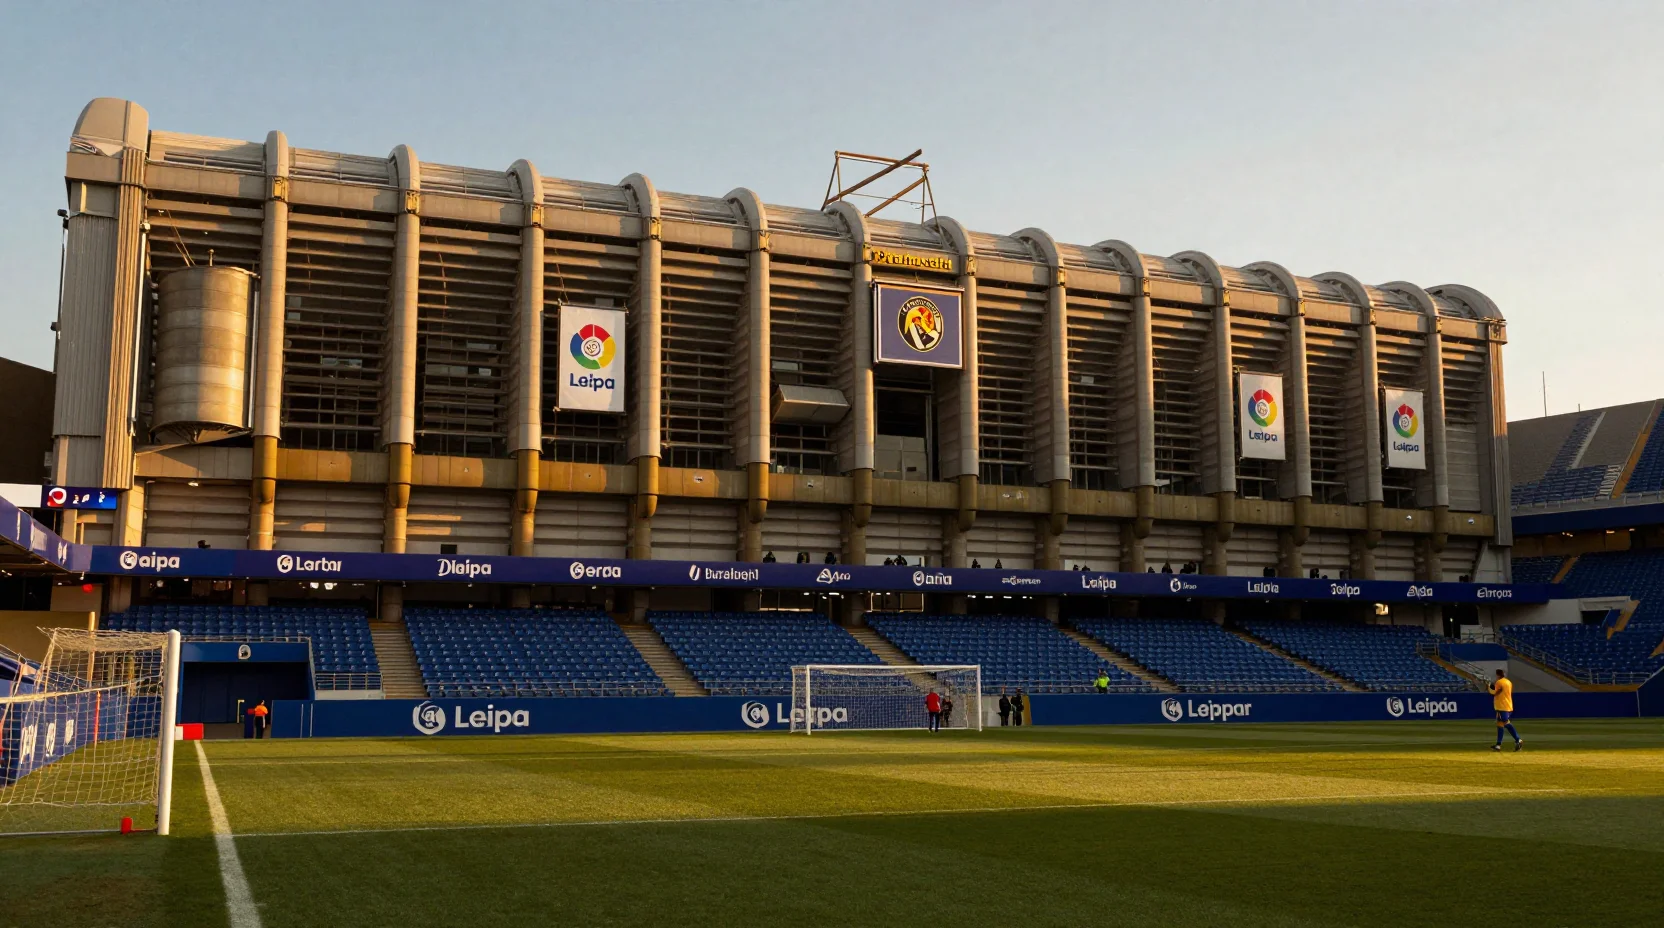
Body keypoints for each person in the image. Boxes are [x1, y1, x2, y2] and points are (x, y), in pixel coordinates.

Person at [1490, 669, 1522, 751]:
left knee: (1505, 722)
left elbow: (1494, 693)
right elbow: (1502, 691)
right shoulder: (1508, 682)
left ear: (1498, 675)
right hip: (1508, 705)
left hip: (1501, 706)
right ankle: (1498, 745)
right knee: (1500, 724)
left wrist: (1489, 687)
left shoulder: (1499, 682)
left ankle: (1518, 739)